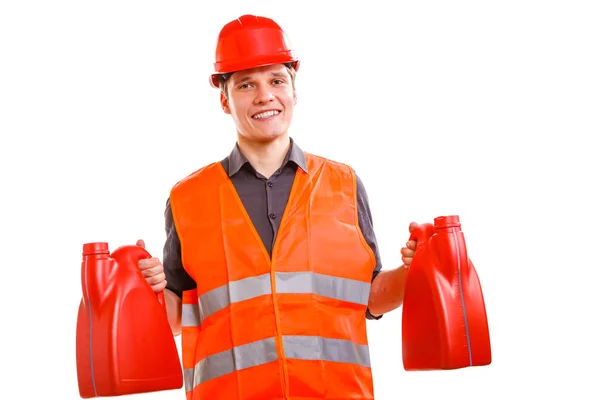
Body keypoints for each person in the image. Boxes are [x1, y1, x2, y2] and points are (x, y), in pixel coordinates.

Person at [136, 14, 418, 400]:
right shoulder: (187, 198)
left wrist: (417, 270)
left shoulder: (343, 184)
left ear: (294, 91)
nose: (265, 95)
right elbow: (178, 314)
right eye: (246, 84)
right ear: (224, 100)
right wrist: (144, 289)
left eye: (276, 80)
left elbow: (370, 296)